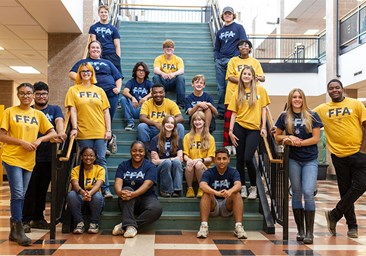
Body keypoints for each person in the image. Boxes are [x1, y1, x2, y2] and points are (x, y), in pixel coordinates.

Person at [0, 83, 56, 246]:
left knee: (21, 195)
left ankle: (13, 230)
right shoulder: (9, 112)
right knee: (17, 193)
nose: (26, 96)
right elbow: (1, 135)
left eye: (29, 93)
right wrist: (21, 142)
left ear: (32, 96)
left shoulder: (38, 114)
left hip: (29, 160)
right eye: (22, 93)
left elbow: (52, 132)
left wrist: (39, 139)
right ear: (18, 95)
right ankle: (19, 230)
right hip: (12, 157)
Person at [314, 78, 366, 239]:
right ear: (328, 91)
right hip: (338, 156)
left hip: (359, 154)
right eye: (331, 88)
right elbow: (303, 116)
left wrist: (363, 150)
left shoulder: (356, 104)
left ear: (342, 89)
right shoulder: (322, 109)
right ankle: (352, 227)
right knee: (345, 191)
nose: (334, 90)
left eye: (337, 87)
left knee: (361, 185)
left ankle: (335, 214)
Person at [275, 88, 323, 244]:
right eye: (294, 97)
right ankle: (301, 231)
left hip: (310, 159)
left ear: (303, 99)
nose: (297, 99)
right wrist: (289, 137)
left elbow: (316, 138)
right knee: (296, 193)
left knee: (308, 191)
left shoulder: (313, 115)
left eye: (299, 97)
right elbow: (277, 137)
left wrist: (298, 142)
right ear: (290, 99)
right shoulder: (284, 116)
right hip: (293, 159)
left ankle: (310, 232)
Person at [22, 82, 66, 233]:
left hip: (48, 157)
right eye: (38, 94)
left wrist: (60, 132)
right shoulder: (29, 111)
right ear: (34, 95)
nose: (41, 97)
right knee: (29, 190)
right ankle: (25, 220)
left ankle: (38, 218)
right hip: (29, 156)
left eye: (44, 94)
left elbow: (59, 122)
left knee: (42, 189)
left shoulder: (54, 109)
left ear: (48, 95)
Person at [65, 63, 113, 198]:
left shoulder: (99, 90)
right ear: (79, 74)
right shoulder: (73, 90)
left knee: (101, 159)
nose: (86, 73)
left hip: (99, 130)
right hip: (83, 131)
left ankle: (105, 189)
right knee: (85, 160)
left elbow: (106, 112)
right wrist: (74, 128)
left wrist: (108, 130)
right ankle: (83, 189)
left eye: (88, 71)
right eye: (83, 71)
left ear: (92, 74)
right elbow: (72, 110)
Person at [69, 40, 123, 154]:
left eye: (97, 48)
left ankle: (107, 141)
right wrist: (84, 80)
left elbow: (118, 77)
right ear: (89, 50)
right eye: (93, 47)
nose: (95, 49)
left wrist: (118, 89)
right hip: (91, 94)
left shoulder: (107, 63)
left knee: (108, 118)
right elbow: (71, 73)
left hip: (109, 93)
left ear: (101, 50)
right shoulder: (83, 62)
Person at [228, 66, 270, 199]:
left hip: (254, 128)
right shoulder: (237, 92)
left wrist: (263, 127)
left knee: (248, 158)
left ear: (253, 76)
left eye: (248, 74)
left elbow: (264, 109)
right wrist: (230, 131)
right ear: (241, 76)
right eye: (244, 74)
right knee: (239, 159)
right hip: (239, 127)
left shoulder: (260, 90)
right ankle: (242, 188)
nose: (246, 76)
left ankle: (253, 187)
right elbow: (234, 113)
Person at [112, 141, 163, 238]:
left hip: (146, 198)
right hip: (127, 200)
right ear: (130, 151)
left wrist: (134, 194)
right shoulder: (123, 165)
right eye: (134, 151)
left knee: (157, 209)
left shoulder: (150, 166)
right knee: (126, 189)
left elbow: (147, 184)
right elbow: (118, 181)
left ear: (144, 152)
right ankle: (129, 225)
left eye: (140, 151)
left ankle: (127, 226)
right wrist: (119, 192)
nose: (137, 153)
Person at [224, 39, 265, 155]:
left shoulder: (255, 62)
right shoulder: (233, 60)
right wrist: (245, 81)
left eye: (247, 45)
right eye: (241, 45)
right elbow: (230, 76)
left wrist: (255, 79)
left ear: (250, 49)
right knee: (229, 120)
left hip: (251, 95)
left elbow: (263, 77)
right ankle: (228, 144)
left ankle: (240, 145)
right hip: (233, 93)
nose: (244, 47)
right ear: (238, 48)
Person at [196, 148, 247, 239]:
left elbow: (238, 185)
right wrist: (216, 192)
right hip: (213, 205)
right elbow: (202, 185)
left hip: (227, 205)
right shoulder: (209, 172)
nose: (221, 161)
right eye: (219, 159)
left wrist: (229, 191)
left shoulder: (233, 172)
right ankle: (204, 227)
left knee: (236, 194)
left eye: (224, 158)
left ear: (228, 160)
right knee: (206, 194)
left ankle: (238, 227)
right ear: (215, 160)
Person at [214, 6, 247, 119]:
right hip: (220, 61)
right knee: (221, 87)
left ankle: (231, 109)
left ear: (233, 15)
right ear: (222, 16)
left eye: (229, 13)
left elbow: (244, 43)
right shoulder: (219, 32)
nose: (227, 15)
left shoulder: (238, 27)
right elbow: (216, 48)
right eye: (225, 14)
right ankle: (221, 111)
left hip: (232, 61)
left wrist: (237, 58)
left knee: (230, 87)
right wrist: (216, 59)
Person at [66, 147, 105, 234]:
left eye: (91, 155)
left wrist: (89, 193)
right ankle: (80, 223)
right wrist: (83, 193)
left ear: (95, 158)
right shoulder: (76, 169)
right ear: (81, 157)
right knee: (71, 195)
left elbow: (99, 184)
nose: (88, 158)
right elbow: (75, 184)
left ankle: (94, 223)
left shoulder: (100, 169)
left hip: (94, 198)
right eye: (85, 155)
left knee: (97, 196)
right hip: (81, 195)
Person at [183, 111, 216, 198]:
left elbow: (211, 158)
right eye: (195, 120)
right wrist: (189, 160)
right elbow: (185, 155)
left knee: (198, 164)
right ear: (192, 122)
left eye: (200, 120)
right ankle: (190, 189)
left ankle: (202, 187)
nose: (197, 122)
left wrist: (200, 160)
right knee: (189, 164)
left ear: (204, 121)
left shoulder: (210, 138)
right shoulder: (187, 137)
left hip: (205, 168)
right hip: (191, 169)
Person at [150, 116, 183, 197]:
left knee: (177, 162)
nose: (169, 125)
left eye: (172, 123)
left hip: (174, 167)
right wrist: (171, 159)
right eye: (167, 122)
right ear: (163, 124)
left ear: (174, 126)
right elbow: (154, 161)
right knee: (168, 162)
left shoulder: (178, 139)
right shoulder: (155, 139)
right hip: (160, 169)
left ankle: (177, 190)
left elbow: (180, 158)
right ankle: (166, 190)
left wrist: (170, 160)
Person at [153, 39, 186, 108]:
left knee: (181, 78)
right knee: (156, 77)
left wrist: (174, 74)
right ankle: (159, 101)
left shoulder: (178, 59)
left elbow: (181, 70)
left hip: (174, 82)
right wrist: (162, 73)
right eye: (166, 47)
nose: (169, 49)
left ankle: (181, 104)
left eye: (171, 47)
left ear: (173, 49)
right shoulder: (158, 58)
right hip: (163, 82)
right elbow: (156, 70)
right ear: (163, 49)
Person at [89, 5, 121, 74]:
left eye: (105, 12)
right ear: (99, 14)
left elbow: (117, 45)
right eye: (102, 12)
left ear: (108, 13)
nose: (104, 14)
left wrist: (118, 57)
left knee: (115, 75)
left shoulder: (113, 29)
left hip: (111, 55)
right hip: (100, 55)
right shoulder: (93, 27)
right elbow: (93, 42)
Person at [121, 62, 153, 131]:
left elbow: (153, 92)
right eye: (139, 70)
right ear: (135, 72)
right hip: (133, 107)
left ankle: (147, 123)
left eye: (143, 70)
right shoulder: (131, 82)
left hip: (143, 109)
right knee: (123, 99)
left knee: (152, 99)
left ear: (146, 72)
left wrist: (145, 97)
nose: (141, 72)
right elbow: (125, 91)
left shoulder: (148, 83)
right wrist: (132, 97)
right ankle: (130, 122)